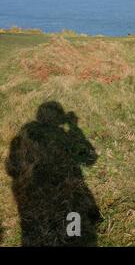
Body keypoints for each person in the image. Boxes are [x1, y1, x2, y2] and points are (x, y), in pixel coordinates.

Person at [6, 101, 100, 246]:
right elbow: (89, 159)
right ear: (59, 119)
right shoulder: (62, 136)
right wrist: (74, 128)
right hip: (67, 203)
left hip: (33, 210)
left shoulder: (20, 140)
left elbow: (11, 169)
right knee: (74, 236)